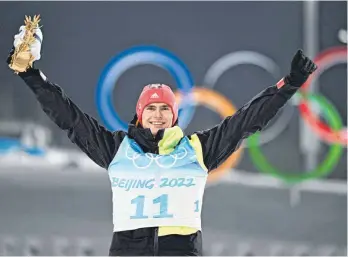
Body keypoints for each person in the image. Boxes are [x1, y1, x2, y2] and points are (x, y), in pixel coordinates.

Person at [7, 25, 316, 256]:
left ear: (174, 115)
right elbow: (70, 118)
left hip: (181, 249)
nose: (157, 115)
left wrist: (288, 85)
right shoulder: (117, 149)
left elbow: (246, 121)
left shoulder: (197, 149)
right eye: (151, 108)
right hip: (128, 248)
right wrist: (31, 75)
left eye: (164, 109)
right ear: (140, 114)